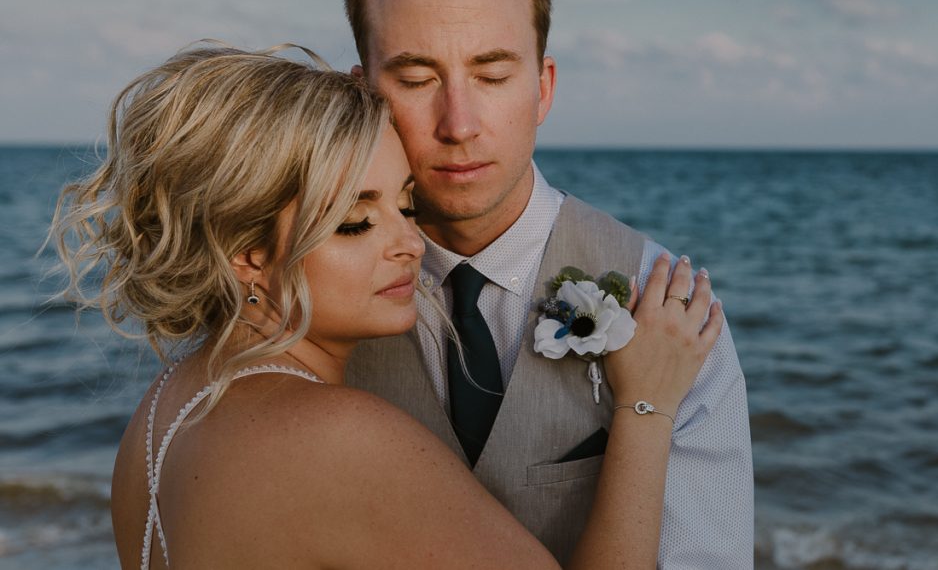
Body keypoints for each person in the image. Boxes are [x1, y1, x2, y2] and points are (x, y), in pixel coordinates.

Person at [50, 44, 722, 568]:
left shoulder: (163, 412)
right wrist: (647, 407)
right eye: (353, 221)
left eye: (404, 203)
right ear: (246, 251)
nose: (408, 243)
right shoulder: (339, 437)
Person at [341, 0, 754, 567]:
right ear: (360, 94)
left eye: (493, 73)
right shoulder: (300, 300)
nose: (460, 122)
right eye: (416, 78)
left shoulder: (667, 307)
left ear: (544, 87)